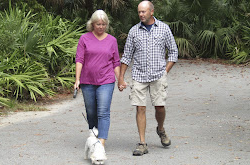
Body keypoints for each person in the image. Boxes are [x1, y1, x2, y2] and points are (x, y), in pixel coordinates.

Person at [118, 0, 178, 156]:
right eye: (139, 12)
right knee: (140, 107)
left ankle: (161, 129)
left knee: (159, 107)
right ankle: (142, 143)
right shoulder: (133, 31)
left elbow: (173, 52)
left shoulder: (164, 29)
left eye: (143, 11)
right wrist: (121, 77)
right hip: (139, 75)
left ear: (152, 12)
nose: (141, 14)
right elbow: (127, 56)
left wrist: (165, 71)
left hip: (158, 75)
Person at [74, 10, 120, 162]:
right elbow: (79, 59)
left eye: (104, 24)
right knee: (91, 111)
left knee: (103, 112)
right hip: (87, 81)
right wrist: (77, 80)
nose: (101, 27)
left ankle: (100, 144)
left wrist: (120, 79)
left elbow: (116, 62)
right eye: (98, 24)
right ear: (92, 24)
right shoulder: (84, 38)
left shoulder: (112, 40)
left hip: (106, 80)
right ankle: (94, 135)